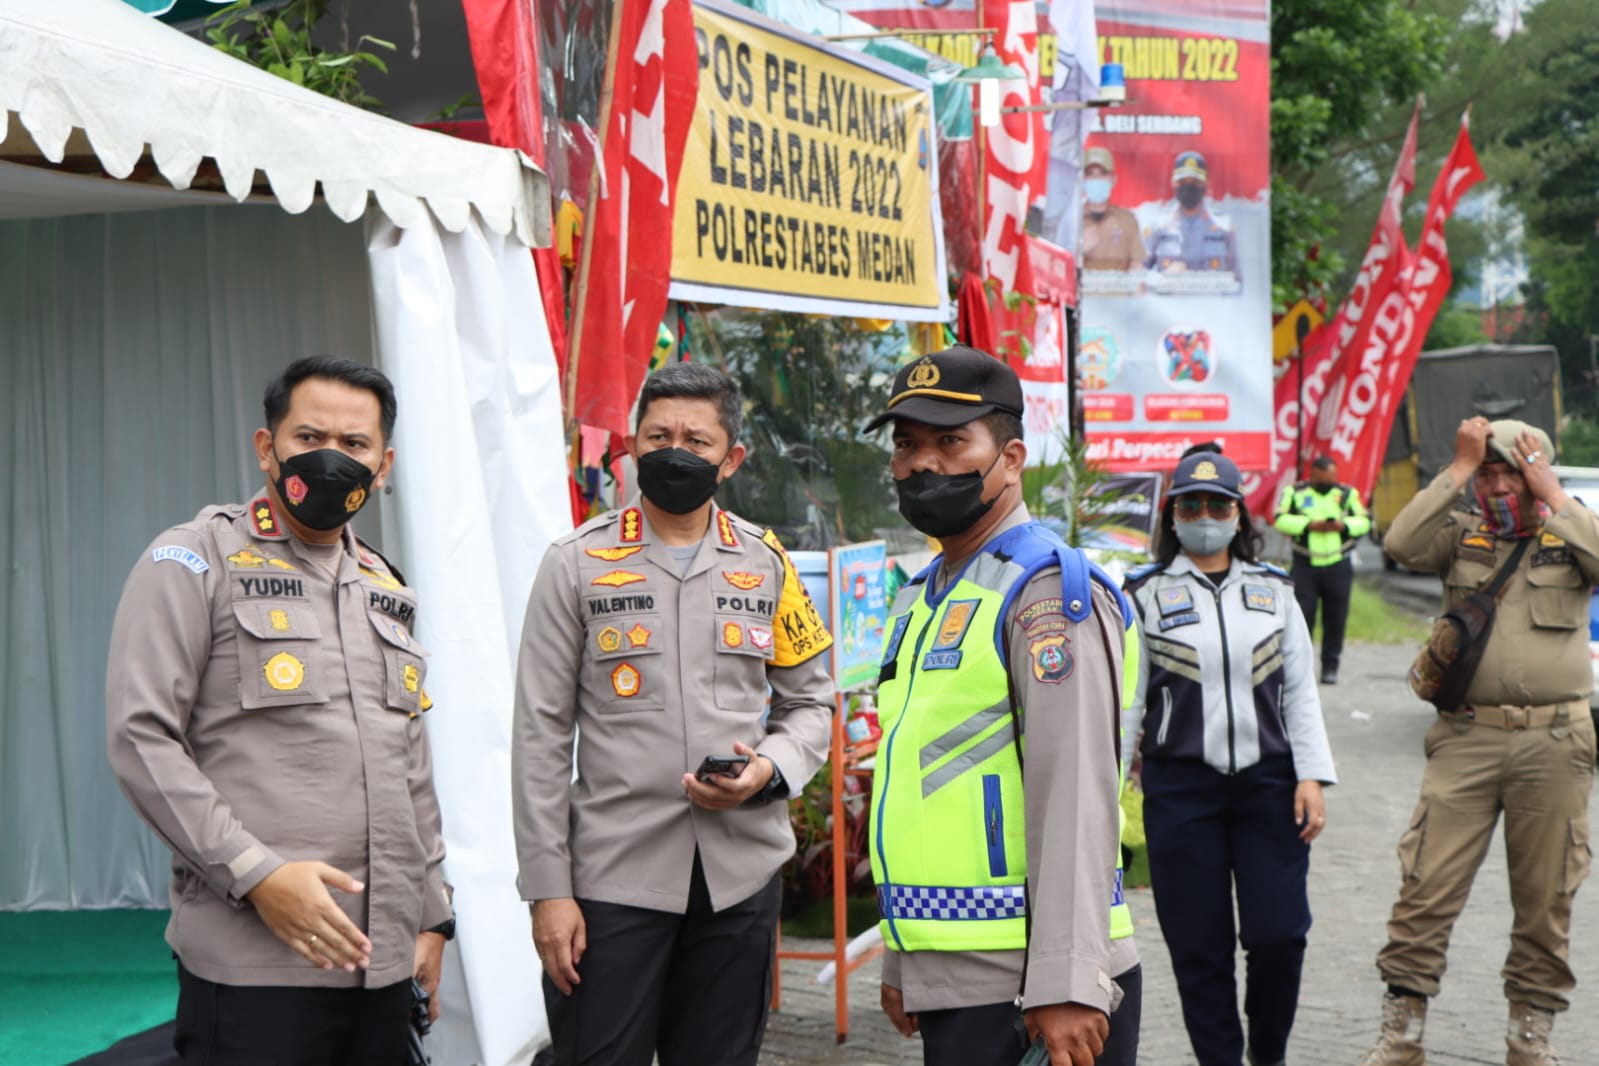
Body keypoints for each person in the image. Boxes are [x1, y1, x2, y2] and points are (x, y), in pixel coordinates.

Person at [106, 356, 454, 1066]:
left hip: (382, 962)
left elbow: (409, 762)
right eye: (309, 437)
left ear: (382, 465)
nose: (332, 459)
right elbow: (142, 737)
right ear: (268, 448)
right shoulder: (194, 559)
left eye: (354, 446)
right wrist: (256, 873)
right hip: (255, 966)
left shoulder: (385, 586)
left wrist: (430, 917)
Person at [512, 362, 835, 1066]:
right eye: (658, 435)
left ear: (731, 458)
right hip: (611, 882)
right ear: (629, 444)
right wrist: (546, 892)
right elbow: (538, 737)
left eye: (696, 438)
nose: (675, 451)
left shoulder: (765, 563)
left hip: (739, 877)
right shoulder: (575, 563)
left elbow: (812, 702)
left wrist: (769, 770)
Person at [864, 344, 1140, 1066]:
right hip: (957, 975)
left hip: (1030, 986)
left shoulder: (1046, 593)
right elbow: (916, 786)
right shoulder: (925, 593)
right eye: (906, 445)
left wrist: (1069, 981)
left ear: (1010, 458)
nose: (923, 464)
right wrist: (902, 961)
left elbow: (1074, 792)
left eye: (951, 442)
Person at [1358, 417, 1598, 1066]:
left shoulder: (1567, 533)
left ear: (1535, 474)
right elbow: (1400, 541)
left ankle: (1529, 1040)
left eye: (1507, 471)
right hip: (1464, 736)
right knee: (1423, 888)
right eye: (1486, 472)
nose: (1496, 483)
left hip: (1555, 741)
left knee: (1546, 899)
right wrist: (1457, 468)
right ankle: (1400, 1036)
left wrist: (1552, 493)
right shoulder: (1462, 535)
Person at [1122, 450, 1337, 1066]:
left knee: (1279, 936)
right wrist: (1108, 792)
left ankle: (1267, 1055)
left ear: (1240, 516)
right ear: (1174, 515)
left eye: (1219, 505)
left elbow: (1299, 691)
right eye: (1192, 505)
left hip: (1270, 789)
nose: (1206, 516)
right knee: (1198, 948)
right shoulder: (1143, 596)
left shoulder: (1275, 591)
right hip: (1179, 791)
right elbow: (1126, 708)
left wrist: (1312, 777)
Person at [1272, 455, 1373, 684]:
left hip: (1338, 564)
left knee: (1336, 619)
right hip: (1305, 565)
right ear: (1313, 474)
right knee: (1302, 617)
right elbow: (1279, 520)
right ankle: (1300, 668)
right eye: (1324, 478)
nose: (1329, 482)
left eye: (1332, 478)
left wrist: (1343, 525)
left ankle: (1330, 667)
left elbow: (1365, 521)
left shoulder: (1347, 495)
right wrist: (1308, 525)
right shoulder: (1295, 493)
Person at [1144, 150, 1240, 279]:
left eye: (1195, 182)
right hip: (1169, 297)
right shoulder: (1158, 227)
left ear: (1205, 184)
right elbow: (1139, 276)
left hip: (1211, 298)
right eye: (1183, 182)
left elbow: (1237, 281)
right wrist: (1164, 277)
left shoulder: (1223, 228)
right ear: (1173, 183)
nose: (1188, 187)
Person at [1080, 146, 1143, 272]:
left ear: (1113, 180)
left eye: (1103, 173)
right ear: (1082, 180)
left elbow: (1137, 267)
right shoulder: (1072, 221)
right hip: (1082, 290)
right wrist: (1078, 252)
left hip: (1118, 290)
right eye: (1090, 174)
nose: (1096, 180)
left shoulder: (1127, 220)